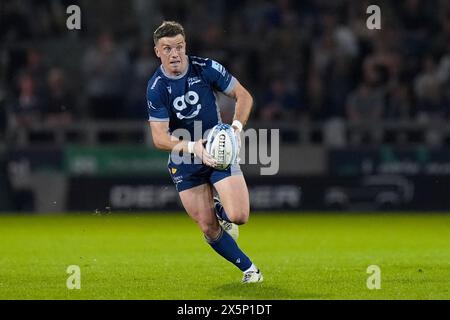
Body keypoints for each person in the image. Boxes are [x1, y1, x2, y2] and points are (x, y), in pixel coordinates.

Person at [146, 21, 263, 283]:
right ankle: (251, 271)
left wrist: (234, 128)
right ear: (157, 52)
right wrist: (191, 147)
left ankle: (223, 210)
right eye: (167, 49)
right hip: (184, 156)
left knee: (239, 217)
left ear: (185, 46)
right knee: (208, 227)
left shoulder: (206, 68)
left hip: (217, 148)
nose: (174, 54)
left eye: (178, 47)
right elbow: (159, 137)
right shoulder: (156, 88)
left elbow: (244, 96)